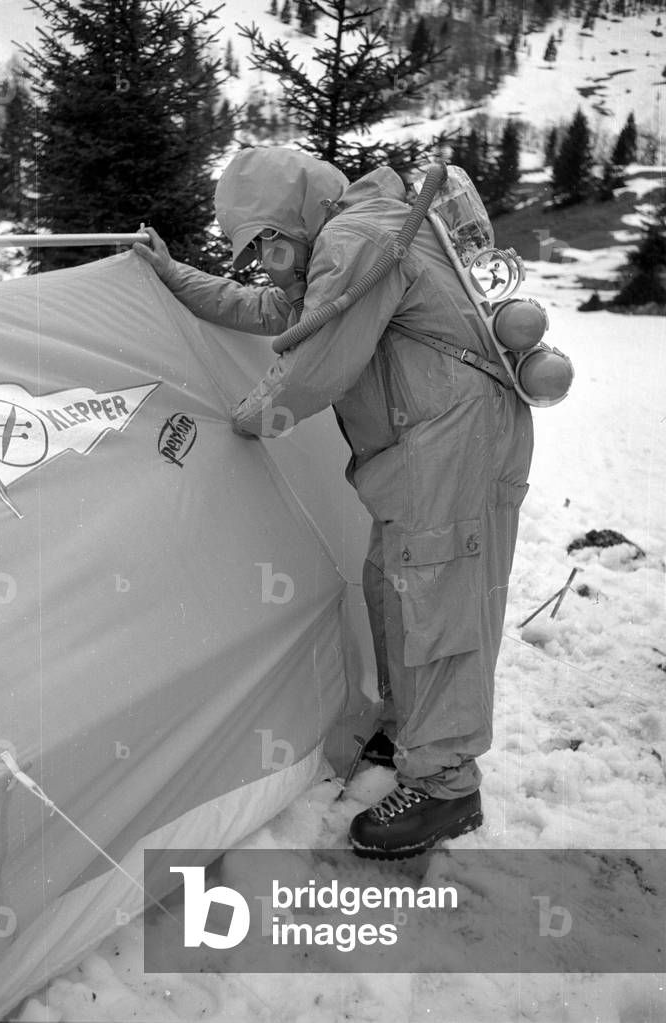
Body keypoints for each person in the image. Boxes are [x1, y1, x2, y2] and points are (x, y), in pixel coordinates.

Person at [134, 146, 533, 860]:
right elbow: (275, 311)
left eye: (267, 245)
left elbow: (312, 366)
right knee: (395, 583)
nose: (267, 264)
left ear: (292, 217)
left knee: (437, 600)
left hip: (451, 441)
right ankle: (411, 730)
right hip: (426, 443)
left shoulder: (356, 239)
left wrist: (241, 424)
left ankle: (447, 784)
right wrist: (173, 275)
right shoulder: (347, 236)